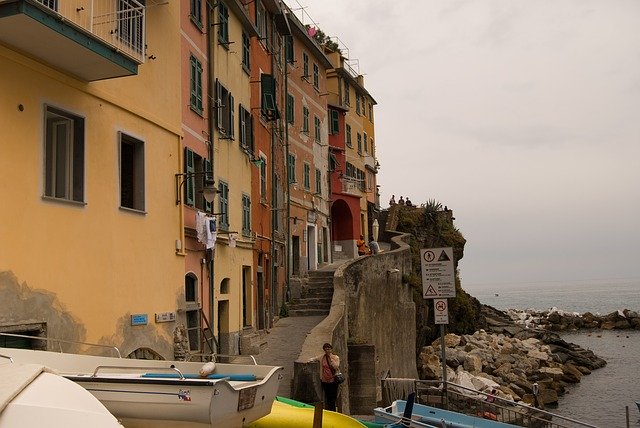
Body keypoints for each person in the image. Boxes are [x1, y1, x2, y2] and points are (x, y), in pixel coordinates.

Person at [309, 343, 341, 411]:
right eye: (326, 349)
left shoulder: (335, 357)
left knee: (333, 397)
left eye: (329, 349)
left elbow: (336, 366)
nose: (328, 351)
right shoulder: (322, 357)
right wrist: (309, 360)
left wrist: (331, 360)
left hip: (333, 380)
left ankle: (333, 411)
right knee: (328, 396)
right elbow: (315, 358)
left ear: (331, 349)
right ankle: (329, 410)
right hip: (325, 380)